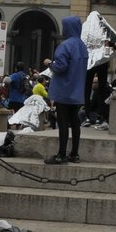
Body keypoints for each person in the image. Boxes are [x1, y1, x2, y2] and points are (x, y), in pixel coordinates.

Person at [44, 16, 88, 165]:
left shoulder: (65, 45)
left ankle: (61, 154)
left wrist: (50, 63)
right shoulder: (82, 45)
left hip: (64, 90)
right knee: (75, 122)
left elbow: (60, 66)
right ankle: (74, 153)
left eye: (64, 26)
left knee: (62, 122)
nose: (62, 29)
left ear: (68, 28)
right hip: (76, 90)